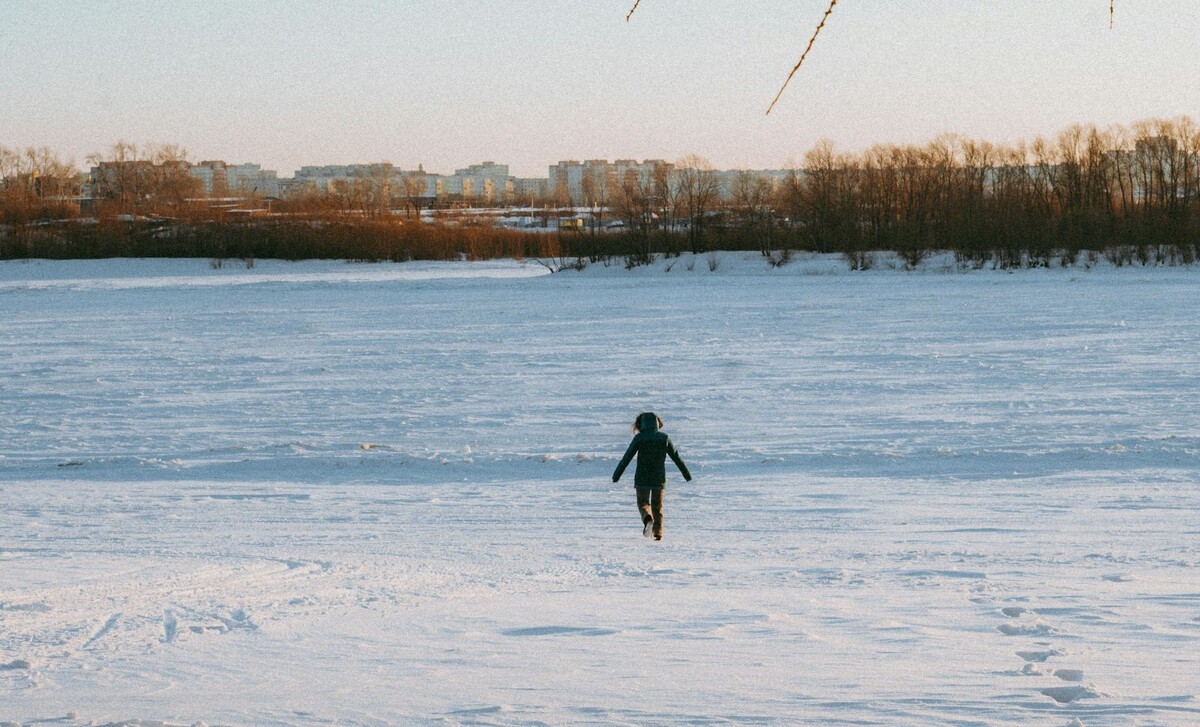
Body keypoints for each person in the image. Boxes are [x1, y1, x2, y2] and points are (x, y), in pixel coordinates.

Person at [612, 411, 692, 541]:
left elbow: (626, 458)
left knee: (643, 503)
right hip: (659, 478)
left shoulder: (639, 438)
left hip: (642, 477)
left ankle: (647, 518)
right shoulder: (664, 438)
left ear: (641, 424)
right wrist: (687, 475)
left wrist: (616, 476)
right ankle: (658, 533)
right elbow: (677, 458)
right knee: (658, 505)